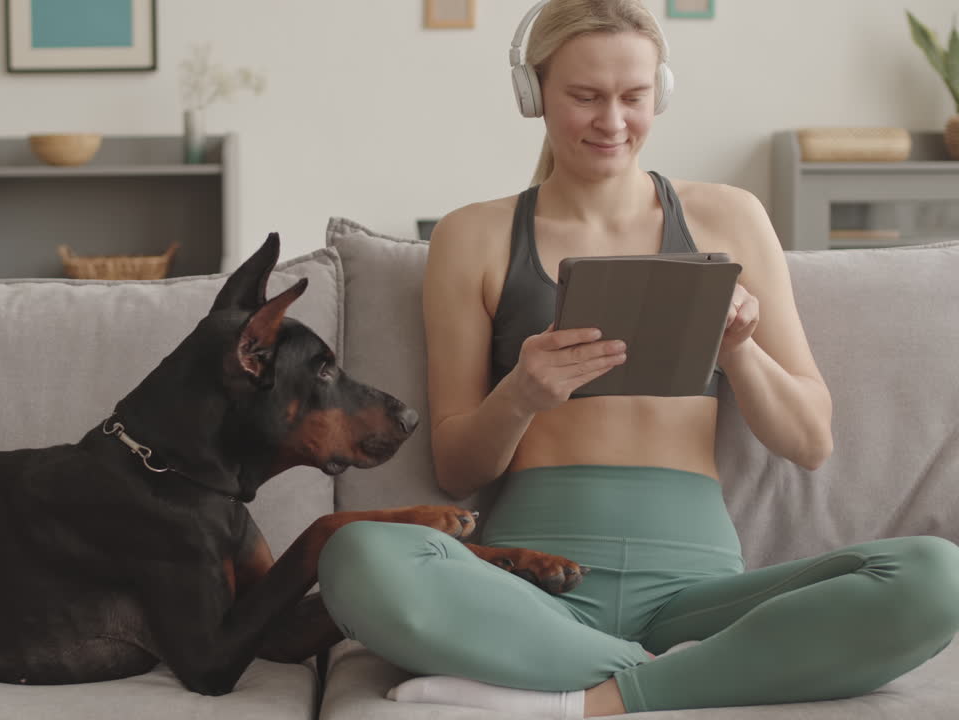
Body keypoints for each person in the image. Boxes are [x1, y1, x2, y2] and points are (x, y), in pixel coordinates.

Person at [315, 1, 959, 718]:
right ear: (533, 92)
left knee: (936, 575)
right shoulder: (474, 236)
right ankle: (693, 677)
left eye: (634, 96)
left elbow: (811, 441)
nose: (613, 121)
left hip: (699, 595)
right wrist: (522, 393)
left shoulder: (729, 217)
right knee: (356, 559)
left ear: (662, 93)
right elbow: (457, 468)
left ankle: (579, 697)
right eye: (585, 96)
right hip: (532, 589)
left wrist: (739, 350)